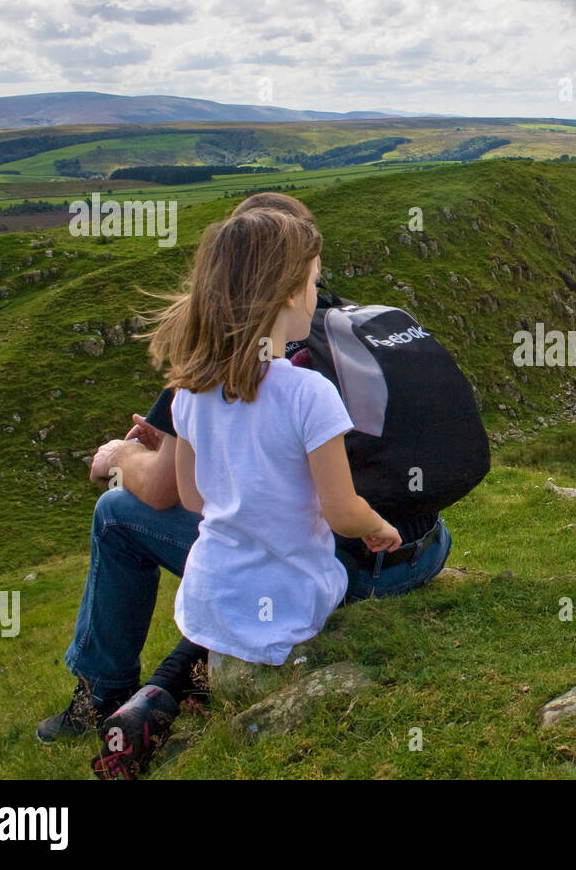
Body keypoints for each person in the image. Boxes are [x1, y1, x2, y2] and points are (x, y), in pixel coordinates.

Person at [38, 194, 453, 748]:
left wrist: (122, 456)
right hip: (411, 552)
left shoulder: (194, 382)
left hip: (286, 579)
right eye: (313, 279)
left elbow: (179, 493)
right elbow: (339, 505)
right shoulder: (323, 363)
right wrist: (374, 525)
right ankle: (176, 689)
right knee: (267, 547)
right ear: (291, 285)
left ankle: (108, 696)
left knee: (120, 514)